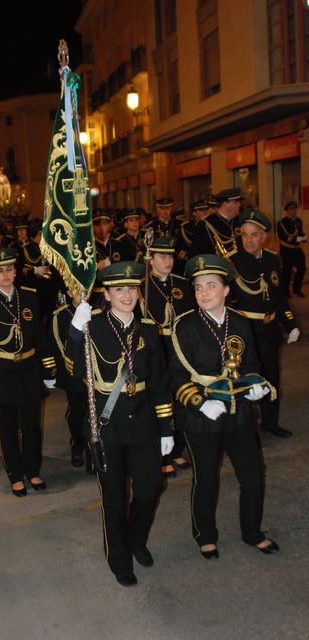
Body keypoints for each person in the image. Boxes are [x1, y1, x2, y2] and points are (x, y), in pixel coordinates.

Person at [66, 261, 174, 587]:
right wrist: (74, 330)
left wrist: (166, 427)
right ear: (107, 294)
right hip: (107, 424)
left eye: (131, 288)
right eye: (118, 290)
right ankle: (119, 556)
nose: (126, 295)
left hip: (143, 423)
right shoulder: (92, 326)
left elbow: (158, 382)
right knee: (113, 497)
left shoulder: (149, 329)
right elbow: (73, 371)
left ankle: (136, 538)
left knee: (149, 488)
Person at [168, 253, 280, 559]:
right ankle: (205, 535)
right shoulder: (185, 326)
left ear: (226, 290)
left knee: (253, 474)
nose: (204, 293)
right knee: (206, 478)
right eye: (198, 287)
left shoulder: (241, 322)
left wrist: (256, 387)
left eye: (211, 286)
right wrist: (200, 403)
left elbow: (252, 365)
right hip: (201, 417)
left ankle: (252, 532)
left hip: (238, 412)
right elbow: (176, 377)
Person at [0, 248, 56, 496]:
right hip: (1, 373)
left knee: (32, 426)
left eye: (9, 269)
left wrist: (48, 367)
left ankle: (33, 470)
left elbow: (39, 334)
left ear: (15, 271)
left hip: (29, 370)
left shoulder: (29, 297)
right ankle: (15, 475)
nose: (5, 274)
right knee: (7, 428)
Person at [226, 209, 299, 438]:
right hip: (245, 329)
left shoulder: (272, 258)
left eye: (254, 235)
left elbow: (278, 297)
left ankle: (270, 422)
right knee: (245, 377)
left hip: (269, 330)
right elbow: (225, 301)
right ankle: (244, 426)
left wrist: (290, 324)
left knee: (271, 376)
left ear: (263, 236)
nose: (248, 240)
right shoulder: (231, 262)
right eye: (245, 234)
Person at [139, 236, 194, 477]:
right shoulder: (142, 286)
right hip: (155, 348)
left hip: (179, 348)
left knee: (182, 400)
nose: (168, 260)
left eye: (170, 256)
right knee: (159, 402)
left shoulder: (182, 283)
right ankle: (161, 455)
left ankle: (176, 449)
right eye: (162, 256)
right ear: (150, 259)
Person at [49, 291, 90, 469]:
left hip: (95, 374)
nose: (80, 293)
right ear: (68, 292)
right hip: (73, 374)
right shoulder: (61, 316)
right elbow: (57, 344)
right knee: (76, 414)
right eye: (75, 289)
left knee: (92, 414)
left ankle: (92, 450)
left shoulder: (97, 311)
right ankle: (77, 446)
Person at [191, 188, 242, 256]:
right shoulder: (205, 225)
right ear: (227, 204)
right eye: (236, 202)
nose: (239, 205)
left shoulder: (238, 222)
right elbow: (198, 255)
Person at [276, 201, 307, 297]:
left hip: (297, 249)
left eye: (294, 209)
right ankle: (286, 291)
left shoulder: (298, 221)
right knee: (287, 271)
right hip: (287, 249)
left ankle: (296, 289)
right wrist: (297, 239)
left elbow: (300, 232)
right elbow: (283, 237)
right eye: (291, 209)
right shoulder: (281, 222)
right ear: (287, 211)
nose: (294, 211)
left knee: (302, 268)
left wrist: (304, 237)